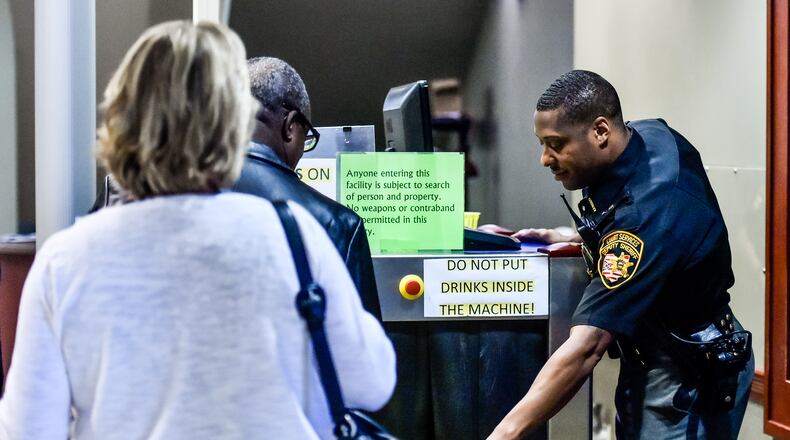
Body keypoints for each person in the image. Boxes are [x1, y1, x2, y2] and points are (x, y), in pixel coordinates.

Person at [0, 21, 395, 439]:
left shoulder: (66, 260)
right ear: (230, 124)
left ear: (120, 119)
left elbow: (29, 428)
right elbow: (372, 382)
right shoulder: (293, 236)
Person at [489, 70, 753, 439]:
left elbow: (586, 347)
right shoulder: (649, 135)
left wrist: (504, 435)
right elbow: (644, 235)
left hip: (686, 375)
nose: (545, 159)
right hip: (654, 355)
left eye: (555, 144)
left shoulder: (646, 216)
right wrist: (570, 237)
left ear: (600, 132)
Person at [232, 56, 382, 320]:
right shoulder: (338, 224)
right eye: (306, 136)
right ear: (291, 126)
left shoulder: (184, 195)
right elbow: (361, 353)